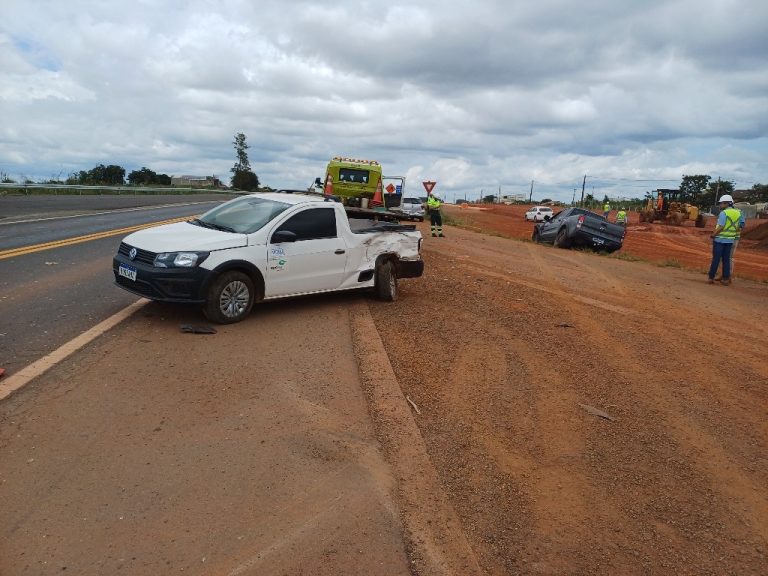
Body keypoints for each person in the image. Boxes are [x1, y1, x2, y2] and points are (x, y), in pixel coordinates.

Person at [707, 194, 744, 285]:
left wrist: (713, 234)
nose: (720, 205)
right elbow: (740, 226)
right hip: (730, 240)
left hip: (720, 239)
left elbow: (721, 226)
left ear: (727, 203)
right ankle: (726, 279)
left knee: (716, 259)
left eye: (721, 203)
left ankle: (711, 278)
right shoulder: (739, 212)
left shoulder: (724, 213)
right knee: (726, 259)